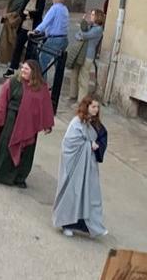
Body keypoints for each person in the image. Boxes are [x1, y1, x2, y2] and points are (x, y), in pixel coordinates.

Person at [0, 60, 54, 188]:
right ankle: (1, 174)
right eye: (22, 68)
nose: (23, 70)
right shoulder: (13, 82)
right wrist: (0, 119)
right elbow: (2, 100)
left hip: (30, 125)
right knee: (7, 146)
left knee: (26, 152)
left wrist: (47, 124)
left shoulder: (40, 87)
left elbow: (46, 106)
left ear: (34, 73)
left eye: (26, 69)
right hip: (12, 119)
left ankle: (19, 177)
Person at [52, 95, 108, 238]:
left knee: (91, 194)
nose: (96, 110)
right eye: (93, 106)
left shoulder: (96, 125)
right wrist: (89, 145)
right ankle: (67, 224)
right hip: (75, 166)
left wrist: (97, 146)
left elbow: (102, 139)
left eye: (97, 107)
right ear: (86, 106)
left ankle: (91, 225)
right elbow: (69, 143)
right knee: (72, 192)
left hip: (89, 166)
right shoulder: (76, 122)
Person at [3, 0, 46, 78]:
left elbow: (38, 14)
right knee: (18, 47)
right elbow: (21, 11)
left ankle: (27, 70)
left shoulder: (41, 1)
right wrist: (27, 14)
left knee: (30, 50)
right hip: (24, 27)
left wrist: (29, 13)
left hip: (33, 29)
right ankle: (12, 68)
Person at [68, 9, 105, 102]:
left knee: (83, 78)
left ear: (98, 17)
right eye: (91, 14)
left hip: (88, 55)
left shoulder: (98, 29)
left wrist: (82, 32)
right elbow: (77, 35)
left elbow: (85, 35)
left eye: (93, 15)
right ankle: (73, 95)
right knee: (74, 74)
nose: (91, 16)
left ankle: (81, 101)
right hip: (80, 53)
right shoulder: (91, 26)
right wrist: (81, 33)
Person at [30, 0, 70, 78]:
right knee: (58, 63)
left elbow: (46, 21)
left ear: (54, 2)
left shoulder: (54, 8)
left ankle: (42, 82)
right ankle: (57, 84)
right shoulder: (65, 9)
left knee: (42, 59)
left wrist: (36, 31)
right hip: (64, 39)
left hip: (54, 39)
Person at [0, 0, 29, 68]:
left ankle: (20, 59)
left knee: (13, 41)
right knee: (4, 42)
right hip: (8, 22)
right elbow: (9, 6)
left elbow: (20, 11)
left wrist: (9, 15)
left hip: (14, 22)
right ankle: (3, 60)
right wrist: (5, 14)